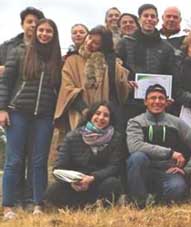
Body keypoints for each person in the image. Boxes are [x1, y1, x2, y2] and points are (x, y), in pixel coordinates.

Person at [0, 18, 62, 218]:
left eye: (49, 31)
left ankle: (37, 203)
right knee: (14, 160)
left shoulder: (57, 60)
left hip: (44, 115)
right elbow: (5, 83)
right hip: (18, 112)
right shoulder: (19, 52)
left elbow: (59, 89)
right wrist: (2, 109)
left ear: (54, 35)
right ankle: (8, 205)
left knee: (38, 161)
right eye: (41, 30)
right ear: (35, 33)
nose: (44, 34)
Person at [125, 84, 191, 207]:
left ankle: (157, 200)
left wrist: (186, 170)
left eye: (161, 98)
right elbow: (135, 146)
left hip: (168, 172)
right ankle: (140, 202)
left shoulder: (177, 122)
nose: (157, 101)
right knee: (137, 157)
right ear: (145, 102)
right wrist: (170, 153)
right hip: (144, 171)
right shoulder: (135, 122)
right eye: (153, 98)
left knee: (177, 188)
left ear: (167, 102)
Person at [45, 102, 125, 208]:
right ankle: (79, 207)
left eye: (106, 115)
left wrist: (92, 178)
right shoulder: (73, 137)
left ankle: (99, 205)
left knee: (113, 184)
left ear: (110, 119)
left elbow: (114, 167)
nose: (101, 118)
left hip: (99, 182)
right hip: (76, 184)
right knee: (53, 190)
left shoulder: (116, 138)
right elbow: (58, 168)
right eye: (97, 113)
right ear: (90, 115)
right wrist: (73, 182)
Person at [54, 25, 131, 133]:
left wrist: (125, 81)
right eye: (89, 38)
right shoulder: (72, 60)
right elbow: (67, 88)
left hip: (104, 117)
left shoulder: (111, 63)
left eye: (96, 43)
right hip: (79, 114)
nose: (89, 43)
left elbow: (119, 90)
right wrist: (85, 110)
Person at [116, 4, 177, 121]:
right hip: (130, 102)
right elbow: (117, 70)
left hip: (157, 103)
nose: (149, 19)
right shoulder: (125, 43)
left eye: (153, 16)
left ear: (157, 20)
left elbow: (172, 74)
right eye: (146, 16)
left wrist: (169, 95)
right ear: (139, 19)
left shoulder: (166, 47)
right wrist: (125, 82)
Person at [0, 7, 45, 76]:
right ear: (22, 25)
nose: (33, 25)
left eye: (37, 22)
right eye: (29, 22)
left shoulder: (48, 49)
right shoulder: (6, 47)